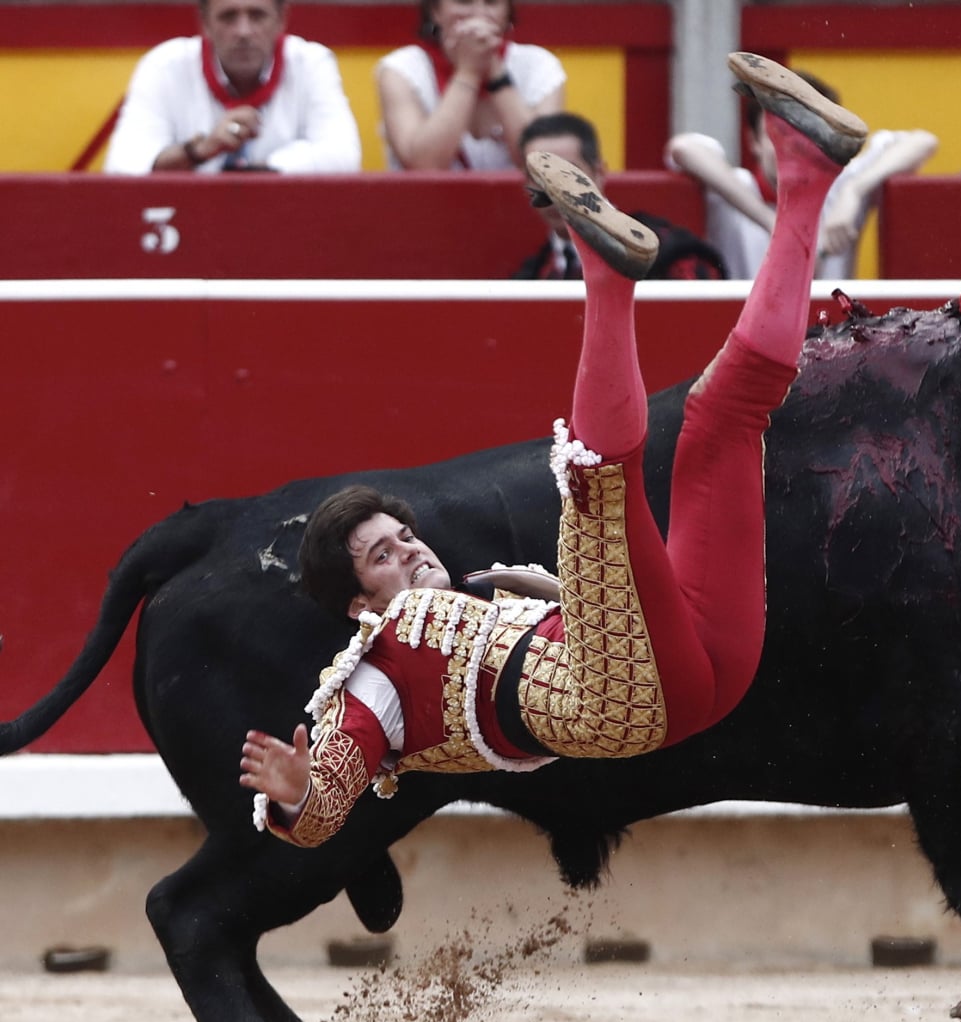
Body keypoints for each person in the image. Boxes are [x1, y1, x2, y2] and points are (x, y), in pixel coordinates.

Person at [240, 54, 868, 847]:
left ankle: (805, 173)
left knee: (726, 417)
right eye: (381, 557)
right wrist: (297, 800)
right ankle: (606, 276)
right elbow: (326, 805)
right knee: (591, 481)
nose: (410, 551)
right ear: (359, 606)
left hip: (707, 666)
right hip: (619, 701)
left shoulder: (490, 599)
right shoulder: (378, 667)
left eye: (404, 536)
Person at [666, 71, 937, 279]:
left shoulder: (842, 187)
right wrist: (773, 223)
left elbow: (923, 142)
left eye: (809, 135)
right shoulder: (734, 189)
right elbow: (684, 148)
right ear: (753, 141)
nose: (792, 150)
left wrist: (854, 191)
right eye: (778, 135)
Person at [103, 0, 361, 174]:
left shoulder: (311, 62)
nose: (244, 31)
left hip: (288, 222)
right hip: (190, 223)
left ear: (282, 19)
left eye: (257, 15)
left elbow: (344, 157)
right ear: (204, 22)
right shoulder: (165, 65)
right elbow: (121, 165)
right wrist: (199, 151)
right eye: (228, 17)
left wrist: (259, 172)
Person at [512, 112, 727, 281]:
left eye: (569, 174)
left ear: (600, 174)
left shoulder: (668, 253)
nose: (552, 190)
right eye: (538, 176)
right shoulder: (531, 276)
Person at [376, 0, 564, 171]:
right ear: (435, 11)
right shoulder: (401, 68)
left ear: (507, 13)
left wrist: (495, 71)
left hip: (519, 205)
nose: (478, 14)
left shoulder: (539, 65)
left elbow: (542, 164)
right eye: (463, 2)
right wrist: (468, 73)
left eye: (491, 3)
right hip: (427, 206)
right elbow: (425, 165)